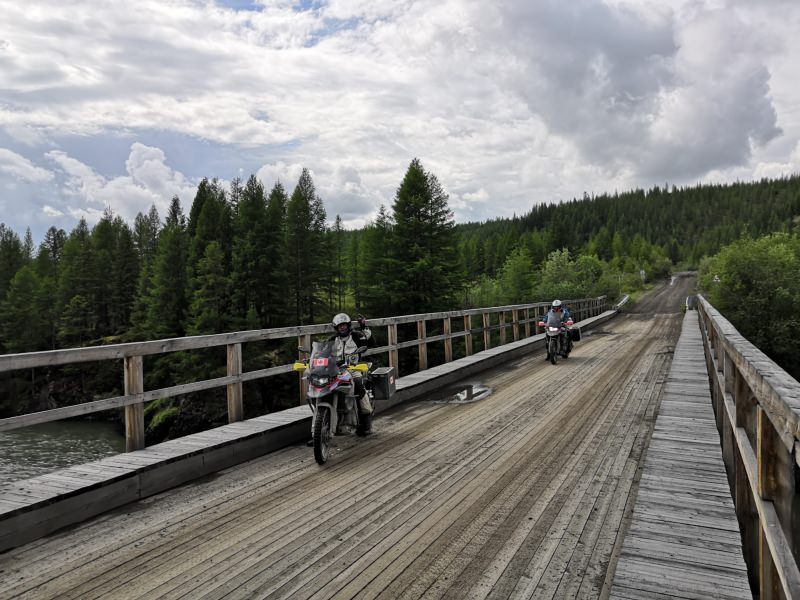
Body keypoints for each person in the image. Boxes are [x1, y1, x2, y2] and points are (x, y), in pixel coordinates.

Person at [329, 312, 377, 436]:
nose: (343, 328)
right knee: (325, 387)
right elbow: (322, 352)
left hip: (353, 369)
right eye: (340, 326)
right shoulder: (332, 340)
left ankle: (366, 419)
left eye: (344, 325)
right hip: (336, 371)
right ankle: (320, 427)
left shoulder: (356, 336)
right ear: (336, 328)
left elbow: (371, 342)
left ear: (348, 325)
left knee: (358, 384)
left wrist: (364, 327)